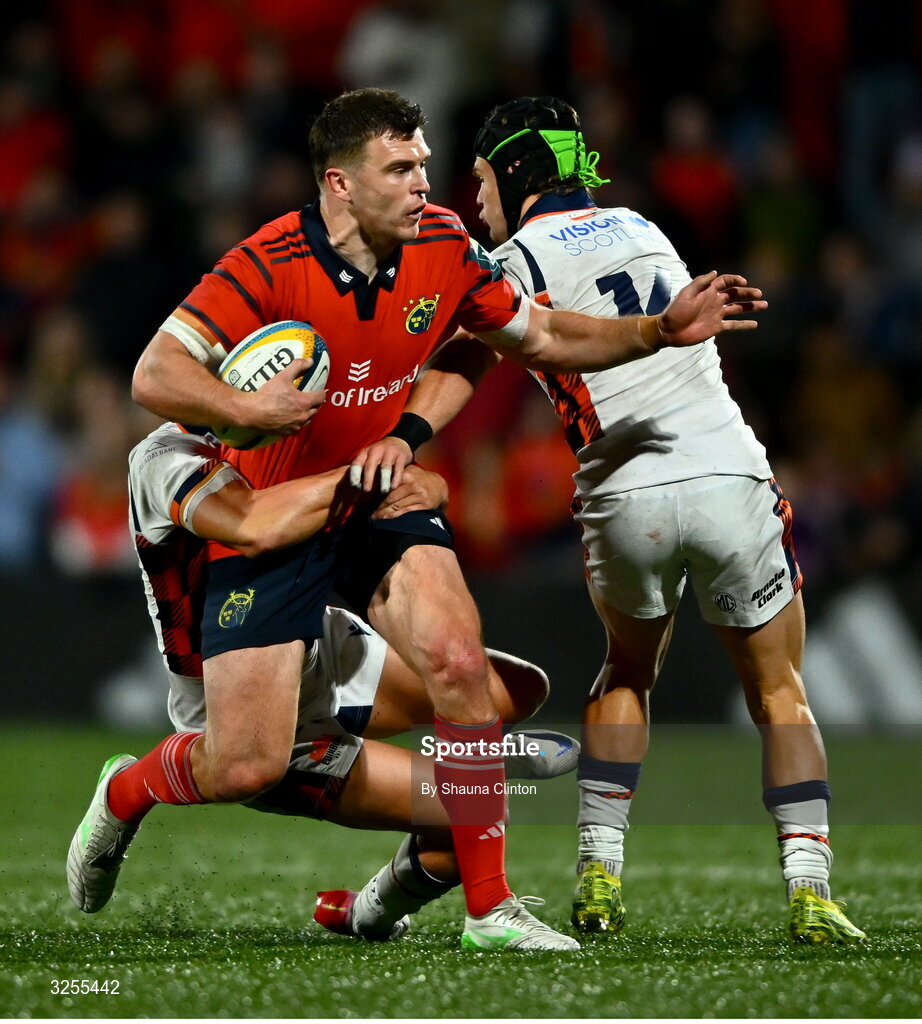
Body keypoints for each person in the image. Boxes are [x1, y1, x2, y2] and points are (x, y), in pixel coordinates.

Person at [126, 87, 763, 951]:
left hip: (381, 498)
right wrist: (257, 411)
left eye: (425, 159)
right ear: (341, 185)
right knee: (246, 763)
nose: (426, 179)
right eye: (402, 166)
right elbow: (155, 378)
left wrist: (657, 329)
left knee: (464, 662)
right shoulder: (268, 262)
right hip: (276, 508)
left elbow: (539, 337)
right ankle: (126, 794)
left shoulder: (446, 245)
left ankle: (491, 908)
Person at [397, 96, 863, 945]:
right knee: (778, 689)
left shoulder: (507, 260)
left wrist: (404, 436)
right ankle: (808, 888)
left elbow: (470, 358)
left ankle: (601, 876)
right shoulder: (646, 227)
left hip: (623, 490)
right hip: (726, 470)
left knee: (624, 674)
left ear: (516, 170)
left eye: (482, 175)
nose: (477, 194)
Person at [68, 420, 580, 944]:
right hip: (235, 697)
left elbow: (383, 480)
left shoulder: (298, 433)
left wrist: (427, 483)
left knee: (504, 708)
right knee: (467, 803)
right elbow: (256, 524)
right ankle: (125, 790)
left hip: (324, 648)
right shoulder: (162, 458)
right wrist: (374, 476)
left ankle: (370, 908)